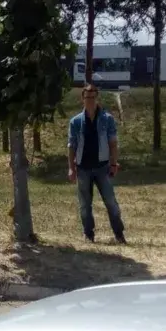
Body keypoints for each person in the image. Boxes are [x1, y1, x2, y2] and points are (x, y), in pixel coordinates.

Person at [67, 84, 126, 244]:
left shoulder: (107, 119)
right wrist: (71, 169)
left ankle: (119, 235)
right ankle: (88, 234)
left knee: (111, 202)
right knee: (85, 205)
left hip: (102, 167)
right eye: (87, 98)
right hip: (83, 168)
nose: (90, 101)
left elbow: (113, 144)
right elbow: (71, 146)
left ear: (97, 98)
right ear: (83, 99)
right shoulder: (76, 122)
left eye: (93, 97)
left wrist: (113, 164)